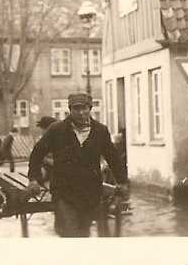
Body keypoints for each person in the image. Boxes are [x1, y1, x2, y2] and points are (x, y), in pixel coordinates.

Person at [27, 93, 129, 237]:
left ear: (90, 109)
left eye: (84, 108)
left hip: (90, 192)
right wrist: (33, 179)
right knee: (68, 231)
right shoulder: (57, 130)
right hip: (64, 192)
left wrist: (122, 181)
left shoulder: (100, 131)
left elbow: (113, 158)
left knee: (83, 232)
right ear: (70, 110)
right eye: (76, 109)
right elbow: (37, 154)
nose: (81, 113)